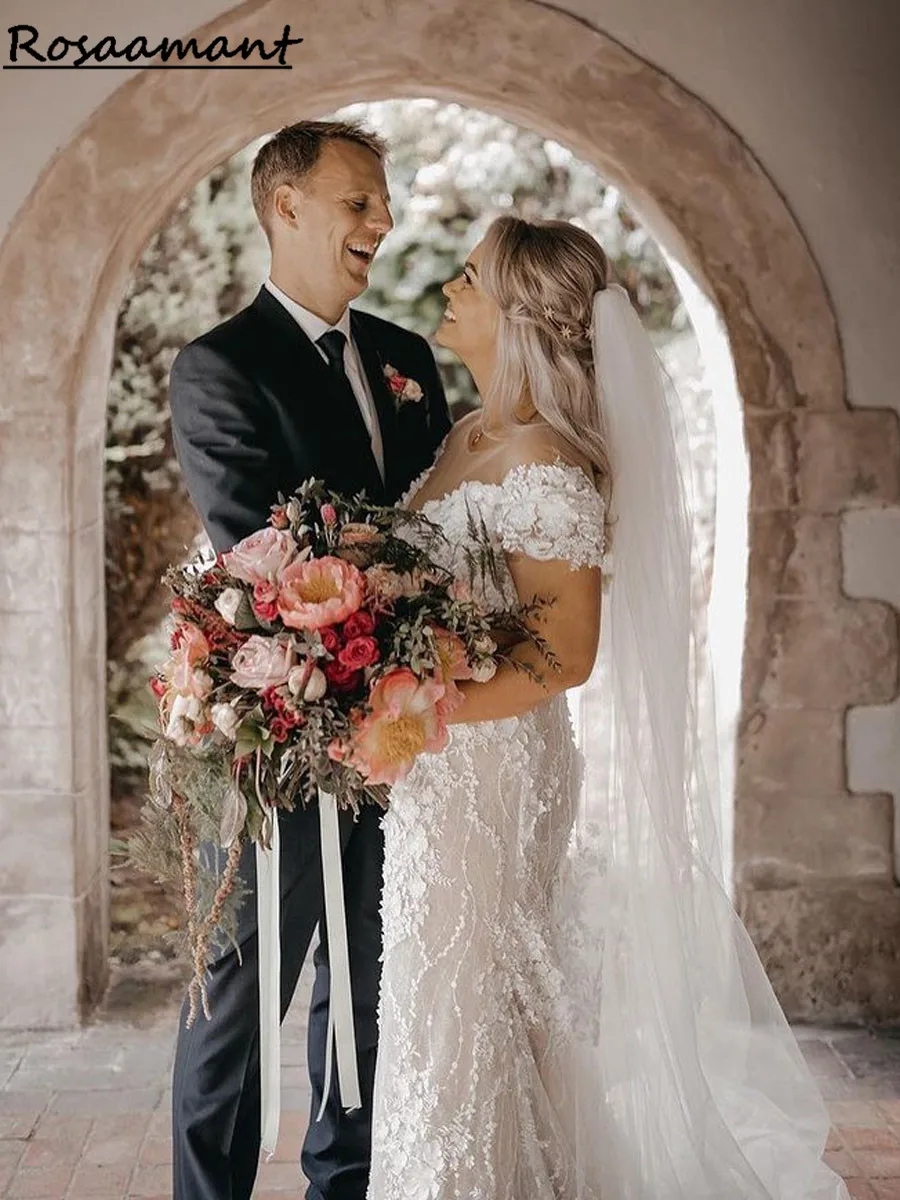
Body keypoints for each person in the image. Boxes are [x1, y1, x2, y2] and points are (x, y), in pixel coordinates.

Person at [368, 216, 849, 1199]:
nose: (450, 291)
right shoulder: (469, 433)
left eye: (471, 278)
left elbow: (565, 657)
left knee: (459, 990)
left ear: (522, 317)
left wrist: (420, 716)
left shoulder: (543, 460)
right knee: (452, 995)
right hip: (442, 761)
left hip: (495, 763)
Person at [167, 119, 451, 1200]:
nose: (383, 222)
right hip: (275, 744)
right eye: (359, 202)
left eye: (383, 203)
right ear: (285, 206)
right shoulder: (219, 368)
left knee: (369, 989)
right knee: (237, 995)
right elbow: (262, 543)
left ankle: (349, 1186)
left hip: (400, 733)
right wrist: (412, 580)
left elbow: (445, 526)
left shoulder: (405, 359)